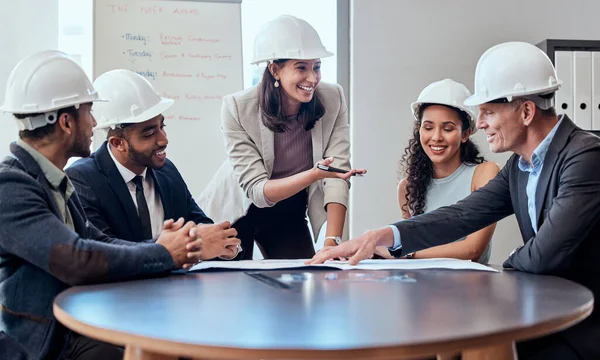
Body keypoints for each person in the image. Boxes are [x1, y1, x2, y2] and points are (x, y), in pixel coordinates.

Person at [308, 41, 600, 359]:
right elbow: (461, 215)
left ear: (526, 111)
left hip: (582, 329)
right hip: (545, 315)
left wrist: (492, 280)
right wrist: (381, 236)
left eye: (488, 112)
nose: (482, 123)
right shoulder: (520, 165)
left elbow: (545, 254)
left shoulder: (585, 157)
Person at [0, 51, 203, 360]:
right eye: (89, 112)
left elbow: (96, 240)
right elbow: (76, 259)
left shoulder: (51, 178)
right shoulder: (11, 186)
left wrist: (164, 247)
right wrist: (163, 252)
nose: (95, 123)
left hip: (78, 323)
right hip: (49, 345)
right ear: (66, 122)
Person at [198, 15, 365, 260]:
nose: (312, 78)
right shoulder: (237, 107)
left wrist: (332, 242)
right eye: (301, 67)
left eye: (316, 66)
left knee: (298, 282)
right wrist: (316, 174)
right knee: (231, 286)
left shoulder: (333, 98)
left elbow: (338, 174)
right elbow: (257, 190)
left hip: (288, 206)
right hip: (238, 208)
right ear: (275, 70)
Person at [66, 69, 241, 261]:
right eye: (149, 134)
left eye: (162, 127)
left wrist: (222, 242)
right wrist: (184, 247)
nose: (163, 140)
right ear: (118, 143)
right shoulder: (82, 179)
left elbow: (198, 222)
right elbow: (104, 249)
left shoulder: (167, 171)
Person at [390, 79, 499, 263]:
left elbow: (472, 250)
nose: (436, 137)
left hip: (471, 290)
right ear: (419, 130)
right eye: (428, 127)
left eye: (447, 129)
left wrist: (405, 252)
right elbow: (408, 243)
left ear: (465, 134)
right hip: (420, 287)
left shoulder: (484, 174)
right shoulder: (407, 187)